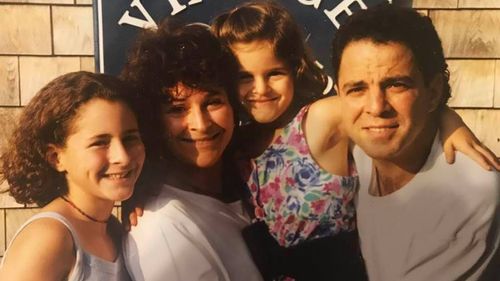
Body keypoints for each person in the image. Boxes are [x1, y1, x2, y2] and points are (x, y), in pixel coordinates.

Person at [212, 2, 499, 280]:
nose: (260, 89)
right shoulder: (231, 145)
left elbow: (391, 106)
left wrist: (453, 126)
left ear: (294, 69)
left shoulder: (318, 119)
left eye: (274, 73)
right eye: (244, 77)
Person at [331, 4, 500, 280]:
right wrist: (447, 116)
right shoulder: (350, 145)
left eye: (396, 85)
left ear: (432, 93)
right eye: (357, 88)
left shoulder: (470, 193)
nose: (376, 107)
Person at [120, 21, 263, 281]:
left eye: (213, 102)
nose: (201, 124)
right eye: (177, 109)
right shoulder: (163, 229)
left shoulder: (249, 183)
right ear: (154, 120)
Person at [0, 71, 145, 281]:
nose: (122, 157)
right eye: (100, 143)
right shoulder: (49, 238)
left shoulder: (113, 229)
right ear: (56, 158)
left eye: (130, 138)